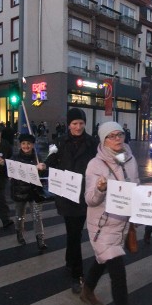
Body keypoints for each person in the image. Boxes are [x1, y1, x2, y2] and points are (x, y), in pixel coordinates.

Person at [82, 121, 146, 305]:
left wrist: (141, 210)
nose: (118, 139)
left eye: (120, 135)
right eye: (112, 136)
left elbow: (135, 186)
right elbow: (89, 199)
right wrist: (99, 188)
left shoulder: (129, 158)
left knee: (102, 261)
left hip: (122, 224)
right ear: (103, 140)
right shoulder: (95, 164)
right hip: (103, 225)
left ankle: (87, 290)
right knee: (118, 272)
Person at [44, 108, 98, 294]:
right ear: (69, 125)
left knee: (74, 234)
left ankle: (73, 268)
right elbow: (51, 159)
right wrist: (44, 165)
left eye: (81, 123)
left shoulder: (93, 143)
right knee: (73, 233)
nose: (78, 127)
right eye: (75, 123)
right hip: (66, 194)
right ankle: (76, 272)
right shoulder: (59, 141)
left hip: (84, 194)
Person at [10, 133, 48, 253]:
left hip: (35, 191)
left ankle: (40, 239)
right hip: (19, 191)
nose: (26, 146)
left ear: (33, 145)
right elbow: (12, 172)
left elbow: (44, 175)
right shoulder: (15, 158)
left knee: (37, 216)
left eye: (29, 143)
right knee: (20, 215)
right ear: (20, 145)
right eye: (23, 143)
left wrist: (43, 168)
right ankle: (19, 232)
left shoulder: (38, 157)